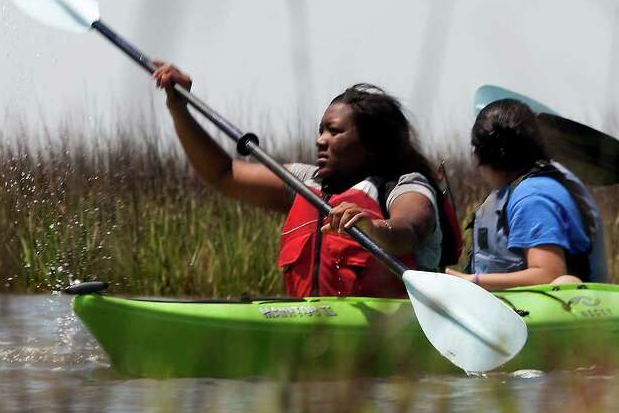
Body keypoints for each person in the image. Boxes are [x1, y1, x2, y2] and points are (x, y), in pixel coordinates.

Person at [151, 63, 446, 298]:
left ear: (372, 143)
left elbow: (408, 229)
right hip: (310, 326)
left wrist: (373, 227)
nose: (320, 140)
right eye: (321, 130)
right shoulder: (306, 183)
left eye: (334, 131)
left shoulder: (405, 187)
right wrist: (180, 110)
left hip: (387, 331)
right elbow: (223, 174)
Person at [446, 99, 608, 289]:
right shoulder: (549, 177)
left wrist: (472, 281)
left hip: (550, 313)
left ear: (483, 156)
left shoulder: (531, 197)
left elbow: (549, 274)